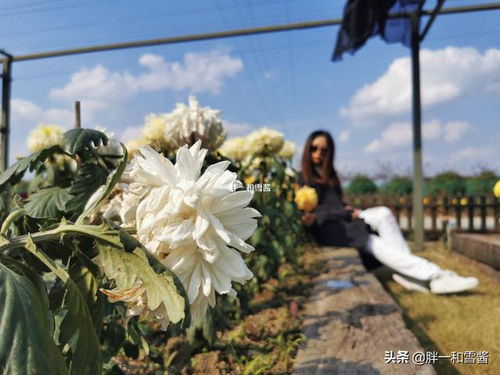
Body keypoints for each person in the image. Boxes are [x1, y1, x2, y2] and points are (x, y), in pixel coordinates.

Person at [299, 130, 479, 294]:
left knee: (383, 213)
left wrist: (346, 208)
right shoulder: (298, 177)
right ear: (307, 148)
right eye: (314, 148)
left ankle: (411, 276)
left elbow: (334, 203)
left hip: (342, 219)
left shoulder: (329, 176)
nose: (318, 153)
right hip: (328, 227)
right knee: (370, 239)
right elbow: (272, 190)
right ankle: (434, 276)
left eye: (324, 150)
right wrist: (268, 179)